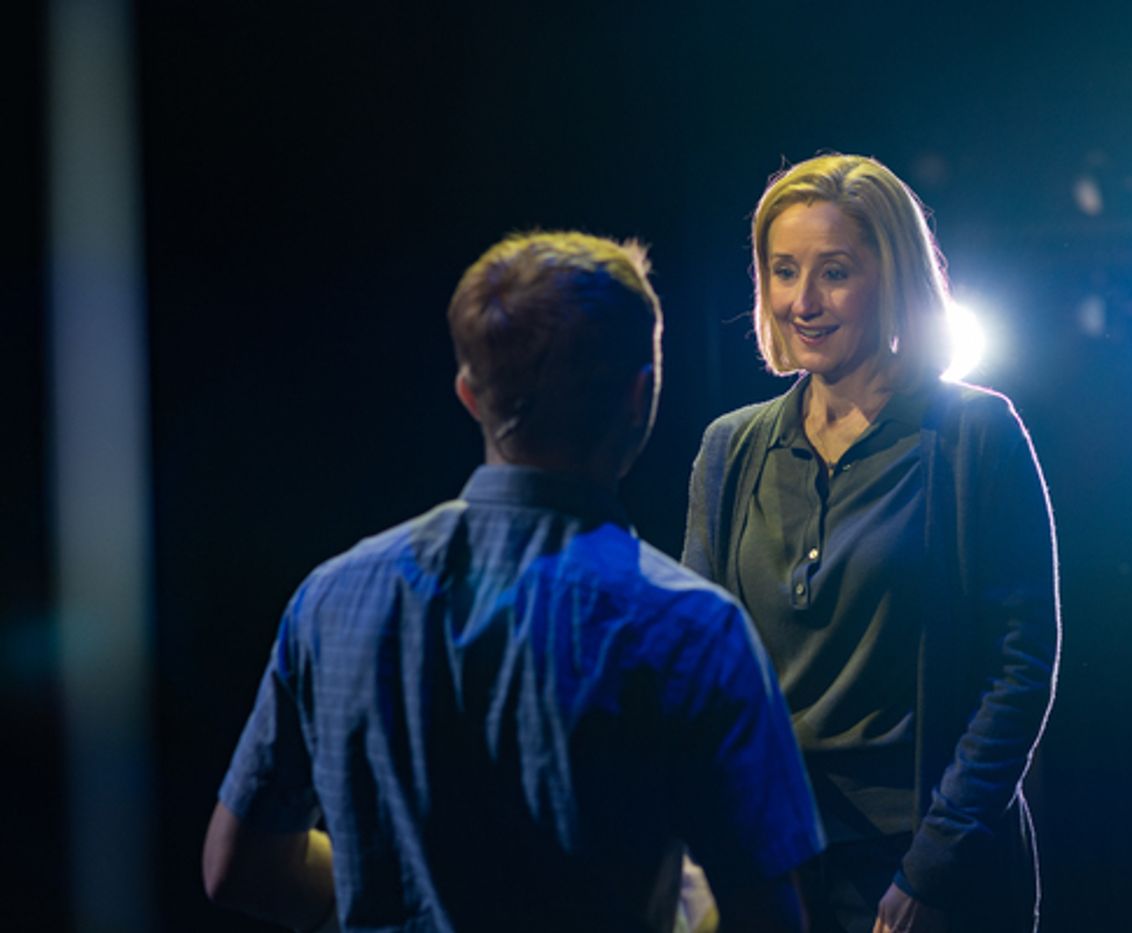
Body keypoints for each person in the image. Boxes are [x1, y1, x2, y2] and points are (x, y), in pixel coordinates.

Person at [203, 230, 826, 933]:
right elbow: (770, 918)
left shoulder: (333, 596)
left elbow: (236, 866)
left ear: (470, 394)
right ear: (640, 394)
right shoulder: (693, 629)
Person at [682, 155, 1060, 933]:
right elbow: (700, 671)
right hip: (774, 864)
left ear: (895, 279)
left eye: (836, 272)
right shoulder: (730, 449)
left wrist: (933, 863)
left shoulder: (975, 436)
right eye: (784, 271)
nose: (804, 302)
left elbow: (1020, 672)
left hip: (923, 867)